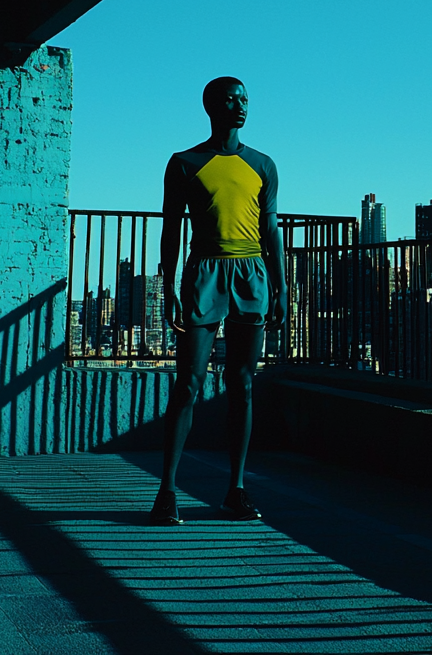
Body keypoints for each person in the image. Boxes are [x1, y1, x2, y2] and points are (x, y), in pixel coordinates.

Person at [148, 76, 284, 526]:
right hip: (204, 271)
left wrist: (282, 288)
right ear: (210, 106)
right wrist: (167, 289)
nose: (240, 105)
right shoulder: (184, 163)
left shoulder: (263, 164)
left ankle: (236, 490)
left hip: (252, 273)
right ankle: (167, 492)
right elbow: (171, 231)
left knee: (242, 385)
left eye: (245, 97)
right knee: (188, 383)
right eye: (231, 99)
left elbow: (270, 232)